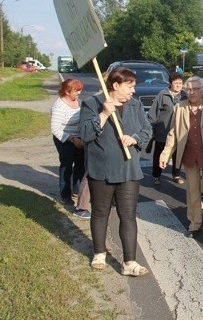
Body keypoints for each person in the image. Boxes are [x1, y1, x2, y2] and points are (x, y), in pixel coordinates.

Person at [78, 67, 152, 276]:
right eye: (130, 86)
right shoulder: (92, 103)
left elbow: (147, 130)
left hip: (128, 170)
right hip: (101, 170)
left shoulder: (135, 105)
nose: (133, 91)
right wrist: (103, 114)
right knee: (101, 213)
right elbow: (85, 134)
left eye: (134, 86)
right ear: (116, 85)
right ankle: (99, 252)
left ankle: (129, 262)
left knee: (128, 216)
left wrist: (135, 138)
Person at [159, 76, 203, 238]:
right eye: (189, 89)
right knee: (192, 192)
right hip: (189, 155)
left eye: (195, 89)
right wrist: (165, 154)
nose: (191, 92)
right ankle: (194, 223)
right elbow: (173, 134)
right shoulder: (179, 108)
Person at [51, 78, 85, 206]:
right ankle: (65, 195)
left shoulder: (79, 102)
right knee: (67, 165)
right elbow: (55, 128)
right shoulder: (59, 106)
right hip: (64, 139)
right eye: (76, 91)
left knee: (81, 164)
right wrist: (71, 139)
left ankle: (77, 190)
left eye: (80, 90)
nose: (79, 93)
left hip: (79, 138)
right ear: (66, 91)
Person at [148, 72, 187, 185]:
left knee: (177, 154)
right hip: (163, 130)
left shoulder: (184, 96)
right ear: (170, 83)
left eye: (180, 83)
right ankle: (156, 175)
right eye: (176, 83)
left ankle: (176, 175)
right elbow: (153, 112)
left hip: (179, 131)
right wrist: (152, 127)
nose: (178, 85)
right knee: (159, 153)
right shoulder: (162, 94)